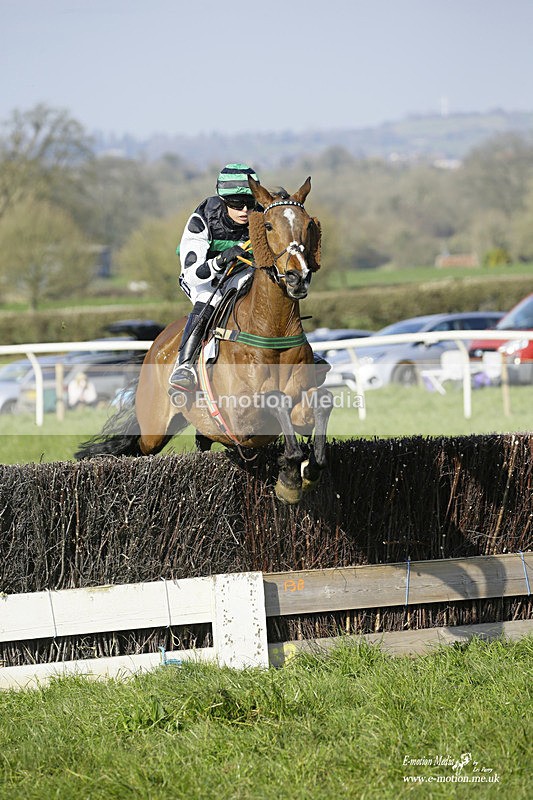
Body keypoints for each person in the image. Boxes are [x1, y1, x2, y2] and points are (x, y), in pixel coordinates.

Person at [168, 163, 259, 399]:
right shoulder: (202, 218)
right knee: (211, 298)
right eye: (237, 204)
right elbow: (192, 273)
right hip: (203, 278)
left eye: (250, 203)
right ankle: (185, 366)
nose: (245, 210)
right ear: (223, 200)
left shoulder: (260, 215)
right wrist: (220, 260)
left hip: (240, 273)